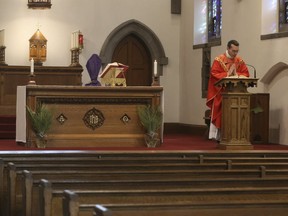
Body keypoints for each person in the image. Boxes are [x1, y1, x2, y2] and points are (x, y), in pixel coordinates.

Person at [206, 40, 250, 141]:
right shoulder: (219, 60)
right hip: (221, 93)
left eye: (237, 51)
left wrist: (236, 74)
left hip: (236, 93)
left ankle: (235, 136)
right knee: (221, 115)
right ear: (228, 48)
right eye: (233, 51)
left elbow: (246, 74)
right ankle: (220, 137)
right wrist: (227, 74)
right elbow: (214, 74)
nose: (235, 53)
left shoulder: (239, 60)